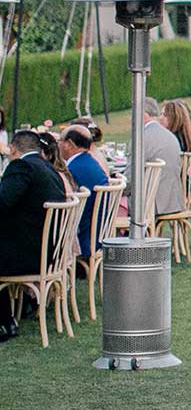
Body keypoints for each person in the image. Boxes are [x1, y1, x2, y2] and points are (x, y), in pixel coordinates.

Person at [0, 130, 68, 340]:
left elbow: (3, 202)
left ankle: (4, 322)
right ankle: (7, 319)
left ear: (13, 149)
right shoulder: (48, 167)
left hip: (29, 254)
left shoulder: (21, 166)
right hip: (49, 252)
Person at [59, 127, 109, 258]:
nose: (58, 145)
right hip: (100, 232)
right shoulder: (90, 162)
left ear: (69, 144)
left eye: (60, 141)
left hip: (85, 236)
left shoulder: (73, 169)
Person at [138, 98, 185, 217]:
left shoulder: (142, 137)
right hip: (174, 199)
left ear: (143, 115)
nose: (161, 118)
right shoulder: (171, 137)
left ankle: (117, 234)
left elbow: (131, 178)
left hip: (152, 202)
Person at [161, 99, 191, 198]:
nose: (160, 118)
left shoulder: (172, 141)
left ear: (173, 118)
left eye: (164, 115)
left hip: (181, 191)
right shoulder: (187, 136)